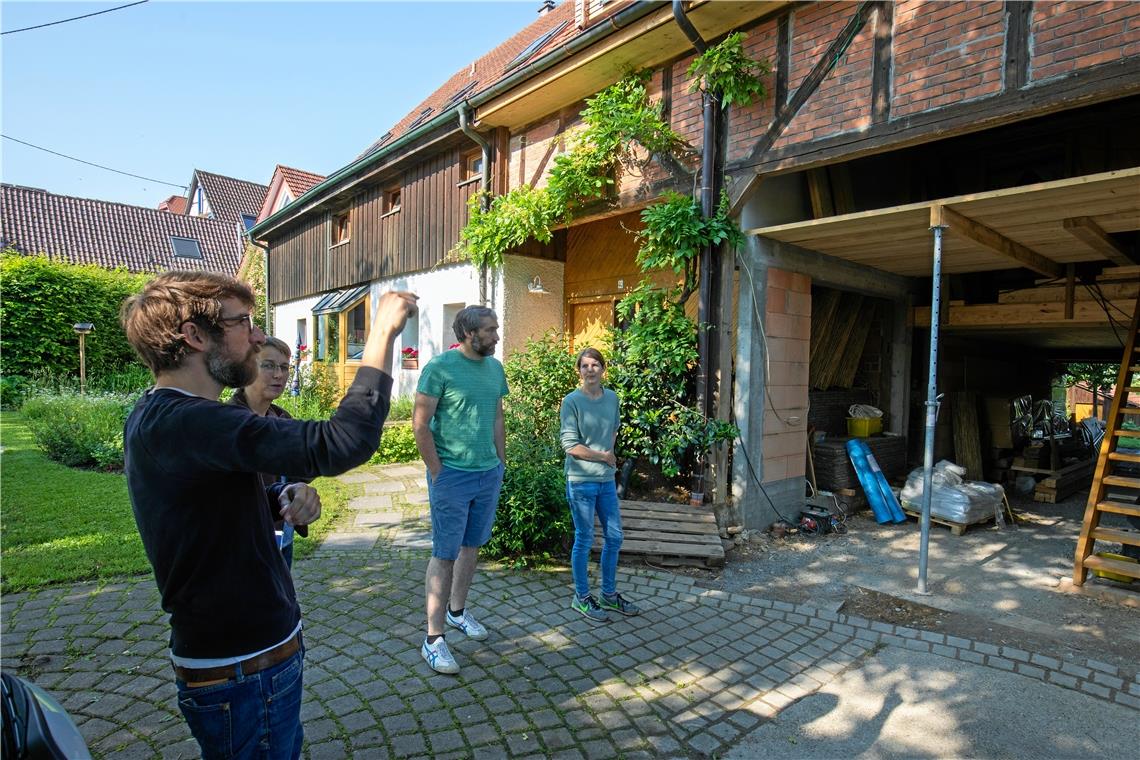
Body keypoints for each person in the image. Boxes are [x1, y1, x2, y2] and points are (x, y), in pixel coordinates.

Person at [120, 271, 415, 759]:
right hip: (245, 669)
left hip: (245, 663)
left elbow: (209, 502)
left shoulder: (167, 416)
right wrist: (380, 335)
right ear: (195, 336)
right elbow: (343, 442)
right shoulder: (192, 420)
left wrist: (283, 492)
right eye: (243, 323)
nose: (257, 336)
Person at [413, 305, 508, 674]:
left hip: (487, 473)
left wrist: (501, 462)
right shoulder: (439, 369)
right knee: (445, 553)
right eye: (491, 330)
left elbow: (496, 415)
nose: (497, 336)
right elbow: (420, 425)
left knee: (472, 547)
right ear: (471, 334)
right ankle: (433, 640)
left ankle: (457, 613)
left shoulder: (495, 369)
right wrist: (438, 472)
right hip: (451, 475)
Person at [560, 347, 641, 623]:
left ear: (603, 369)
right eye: (585, 365)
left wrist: (610, 454)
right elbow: (570, 445)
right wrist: (603, 456)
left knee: (615, 536)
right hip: (581, 480)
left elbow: (614, 428)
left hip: (605, 480)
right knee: (584, 538)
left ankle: (608, 594)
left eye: (595, 364)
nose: (590, 370)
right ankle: (581, 597)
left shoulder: (612, 398)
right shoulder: (571, 401)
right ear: (579, 370)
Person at [228, 336, 308, 568]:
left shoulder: (282, 418)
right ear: (246, 369)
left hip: (282, 531)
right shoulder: (228, 423)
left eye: (284, 367)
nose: (279, 374)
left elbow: (299, 471)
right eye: (269, 365)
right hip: (244, 539)